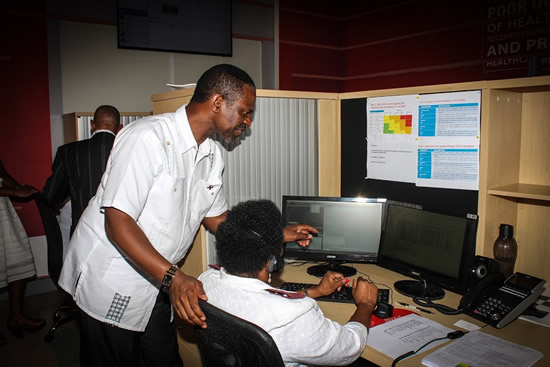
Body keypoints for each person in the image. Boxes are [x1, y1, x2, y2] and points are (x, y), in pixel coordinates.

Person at [57, 64, 317, 367]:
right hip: (114, 277)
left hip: (158, 281)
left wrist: (274, 233)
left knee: (164, 359)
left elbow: (217, 219)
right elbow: (118, 223)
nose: (247, 122)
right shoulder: (146, 138)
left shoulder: (212, 156)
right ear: (217, 102)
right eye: (245, 112)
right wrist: (175, 278)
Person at [199, 199, 379, 366]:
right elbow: (350, 347)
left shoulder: (205, 283)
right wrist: (366, 304)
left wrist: (313, 291)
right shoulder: (294, 317)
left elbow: (260, 304)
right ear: (272, 261)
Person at [42, 105, 121, 238]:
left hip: (83, 233)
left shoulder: (68, 152)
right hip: (122, 236)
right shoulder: (132, 151)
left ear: (92, 124)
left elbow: (50, 196)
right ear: (120, 128)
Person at [0, 160, 45, 345]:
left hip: (2, 208)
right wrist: (14, 192)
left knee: (17, 255)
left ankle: (16, 315)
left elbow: (3, 175)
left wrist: (19, 187)